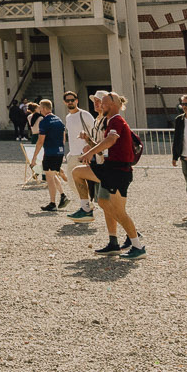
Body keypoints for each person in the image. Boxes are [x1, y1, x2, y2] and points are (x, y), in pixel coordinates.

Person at [72, 91, 144, 259]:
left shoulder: (115, 120)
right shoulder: (110, 120)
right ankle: (87, 209)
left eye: (103, 103)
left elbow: (111, 140)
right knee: (103, 201)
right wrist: (91, 148)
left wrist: (90, 152)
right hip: (111, 168)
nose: (100, 106)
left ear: (112, 105)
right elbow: (107, 145)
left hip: (118, 171)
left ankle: (137, 245)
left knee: (119, 212)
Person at [33, 99, 68, 210]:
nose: (39, 110)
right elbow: (63, 138)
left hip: (50, 152)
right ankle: (63, 195)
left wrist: (34, 157)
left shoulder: (44, 122)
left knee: (49, 178)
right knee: (52, 174)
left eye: (40, 108)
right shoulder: (59, 120)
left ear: (43, 108)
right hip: (59, 151)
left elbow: (40, 141)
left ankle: (52, 203)